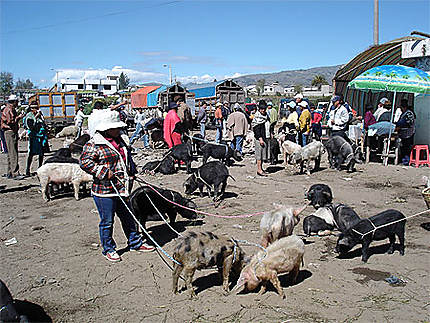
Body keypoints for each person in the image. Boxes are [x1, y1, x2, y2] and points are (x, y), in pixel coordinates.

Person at [80, 110, 155, 262]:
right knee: (107, 221)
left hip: (123, 188)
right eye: (115, 128)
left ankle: (135, 242)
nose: (119, 130)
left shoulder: (122, 141)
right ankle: (109, 248)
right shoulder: (94, 144)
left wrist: (132, 171)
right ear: (106, 128)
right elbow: (84, 162)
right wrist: (102, 171)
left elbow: (127, 159)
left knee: (128, 217)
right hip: (105, 191)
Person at [1, 94, 24, 179]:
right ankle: (15, 173)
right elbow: (10, 121)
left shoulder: (8, 109)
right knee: (13, 153)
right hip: (10, 132)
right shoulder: (9, 110)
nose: (18, 103)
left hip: (9, 132)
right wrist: (19, 117)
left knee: (10, 153)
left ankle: (10, 172)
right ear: (14, 102)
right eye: (17, 101)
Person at [25, 101, 48, 176]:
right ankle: (27, 170)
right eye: (33, 108)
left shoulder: (40, 116)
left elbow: (43, 124)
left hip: (40, 137)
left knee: (41, 154)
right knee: (31, 154)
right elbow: (30, 126)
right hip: (33, 137)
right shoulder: (29, 116)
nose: (35, 109)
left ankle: (40, 168)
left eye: (36, 108)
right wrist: (36, 117)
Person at [252, 100, 269, 176]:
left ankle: (261, 169)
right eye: (261, 109)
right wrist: (260, 138)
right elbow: (256, 129)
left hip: (264, 137)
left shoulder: (265, 116)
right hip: (259, 138)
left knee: (263, 155)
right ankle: (259, 170)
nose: (263, 110)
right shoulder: (257, 117)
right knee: (259, 155)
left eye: (264, 109)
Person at [396, 99, 415, 165]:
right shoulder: (404, 113)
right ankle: (403, 160)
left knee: (406, 148)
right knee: (403, 148)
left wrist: (399, 124)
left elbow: (408, 123)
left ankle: (406, 161)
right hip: (404, 134)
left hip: (408, 134)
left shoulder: (409, 113)